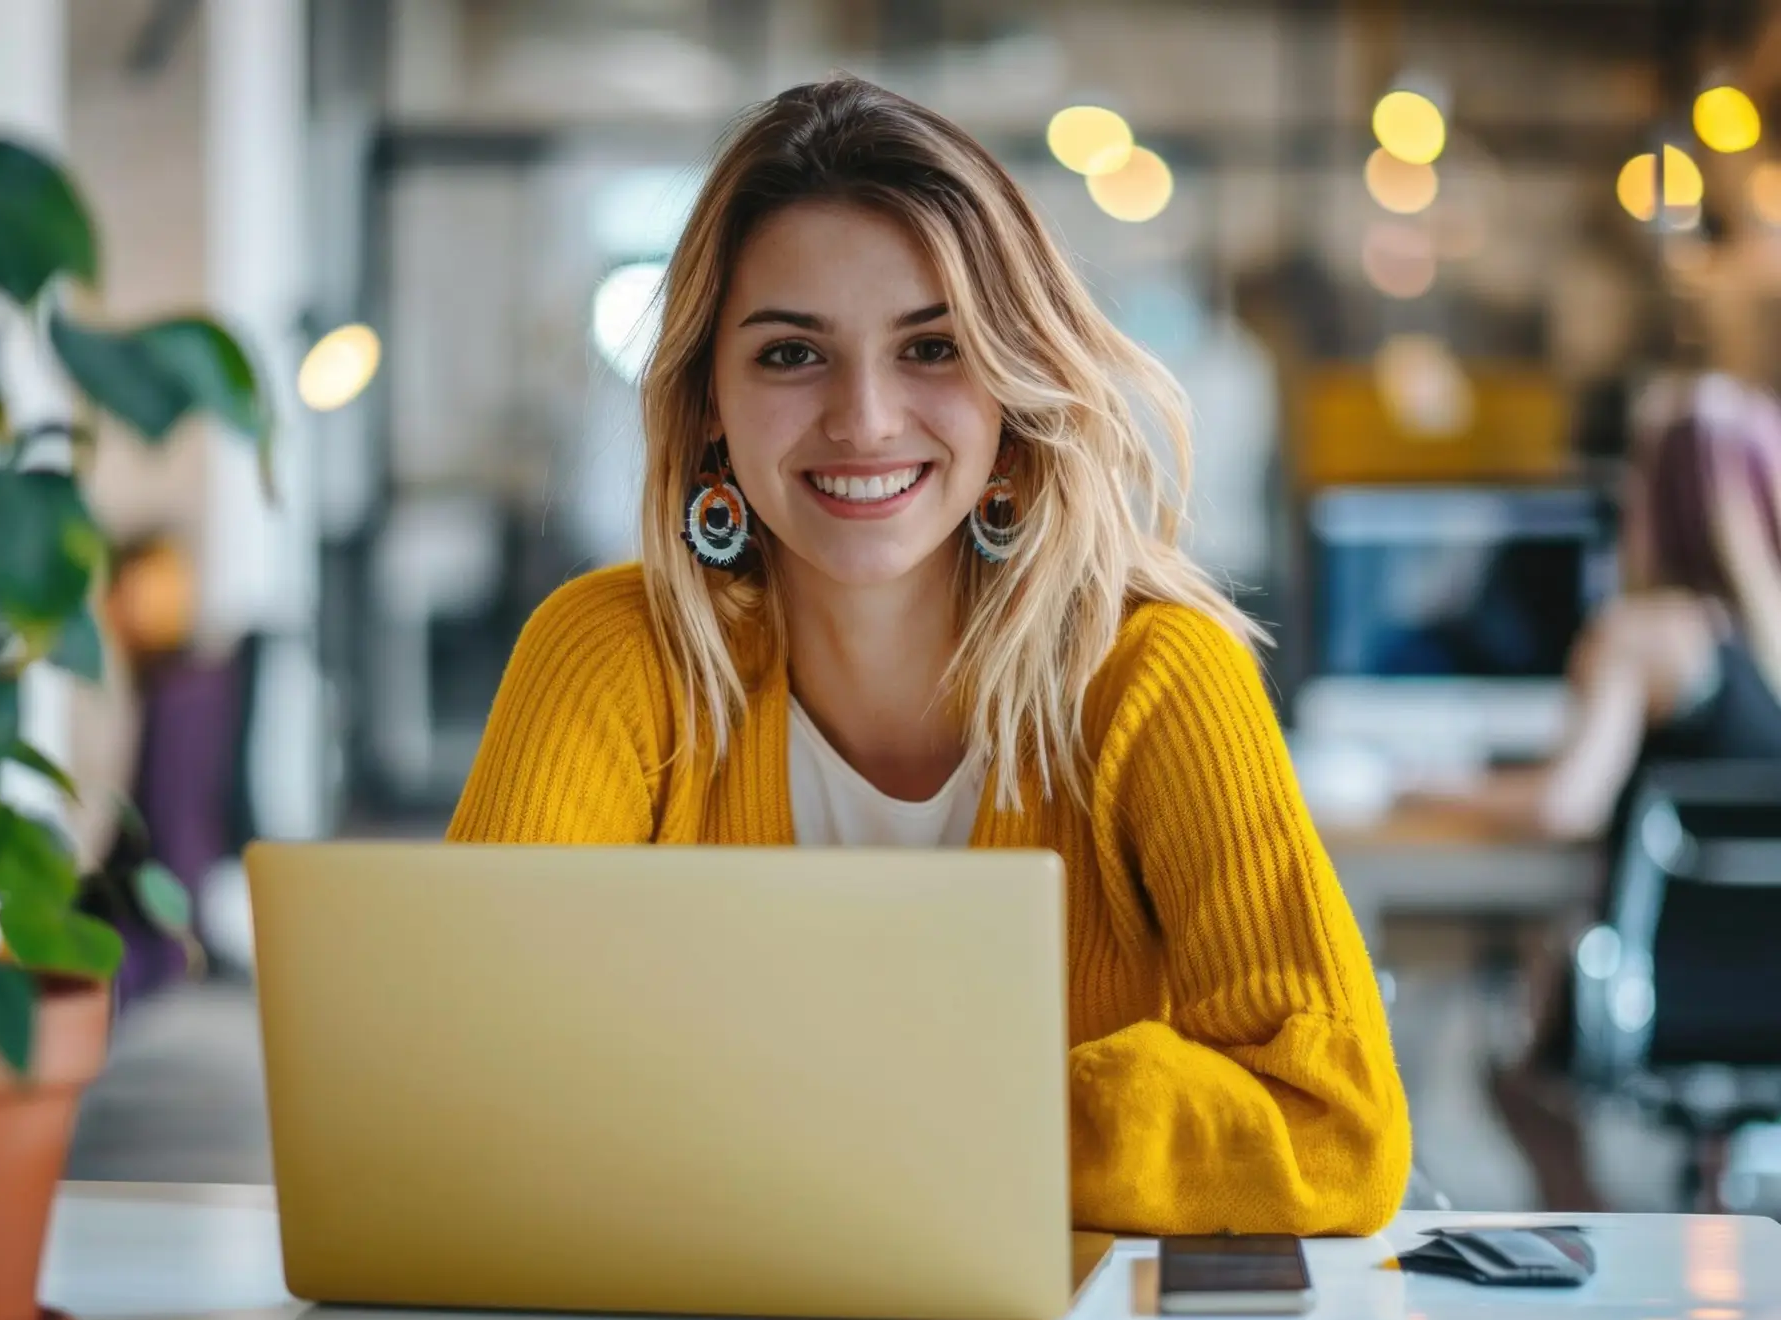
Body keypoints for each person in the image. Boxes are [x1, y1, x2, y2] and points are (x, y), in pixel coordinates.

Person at [448, 77, 1409, 1237]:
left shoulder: (1156, 677)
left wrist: (857, 1120)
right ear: (710, 397)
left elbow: (1336, 1128)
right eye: (793, 354)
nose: (863, 418)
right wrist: (952, 1126)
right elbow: (473, 1079)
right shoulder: (611, 655)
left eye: (932, 347)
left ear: (1013, 382)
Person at [1464, 373, 1781, 1210]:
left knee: (1514, 1079)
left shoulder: (1645, 638)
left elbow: (1565, 805)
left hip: (1655, 1003)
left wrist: (1436, 792)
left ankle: (1592, 1243)